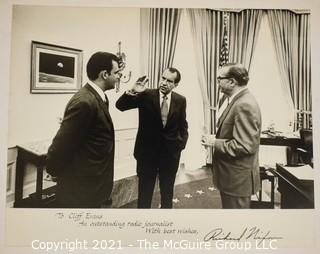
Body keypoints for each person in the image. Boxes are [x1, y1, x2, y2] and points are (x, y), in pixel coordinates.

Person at [46, 52, 122, 208]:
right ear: (105, 74)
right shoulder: (84, 102)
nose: (119, 77)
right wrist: (54, 170)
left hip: (92, 182)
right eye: (117, 73)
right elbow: (62, 143)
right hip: (80, 189)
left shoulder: (99, 97)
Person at [116, 68, 188, 208]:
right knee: (145, 194)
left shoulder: (180, 100)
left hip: (170, 155)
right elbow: (121, 106)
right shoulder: (146, 95)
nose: (164, 83)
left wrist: (180, 145)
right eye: (163, 78)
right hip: (147, 155)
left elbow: (183, 125)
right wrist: (133, 90)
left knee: (167, 193)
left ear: (176, 84)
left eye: (169, 81)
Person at [201, 63, 261, 209]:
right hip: (233, 179)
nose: (217, 83)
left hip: (236, 181)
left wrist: (214, 142)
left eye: (219, 79)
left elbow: (244, 147)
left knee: (236, 223)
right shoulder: (239, 100)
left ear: (232, 81)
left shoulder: (244, 104)